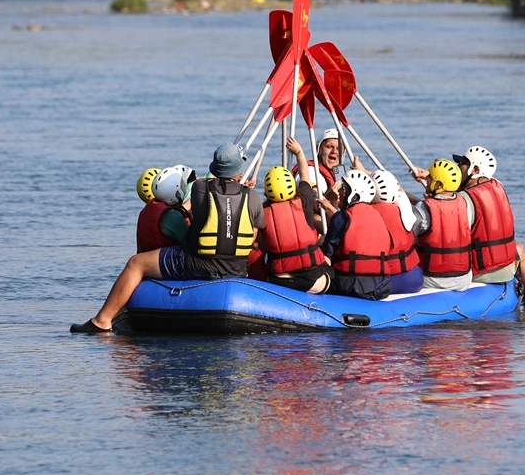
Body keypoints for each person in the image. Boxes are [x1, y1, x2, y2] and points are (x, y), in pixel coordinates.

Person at [71, 143, 265, 333]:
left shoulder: (199, 188)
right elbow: (252, 235)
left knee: (136, 263)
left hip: (197, 263)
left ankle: (102, 321)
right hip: (237, 268)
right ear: (239, 172)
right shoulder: (254, 197)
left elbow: (211, 203)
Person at [453, 145, 525, 307]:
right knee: (519, 248)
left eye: (462, 164)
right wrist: (432, 177)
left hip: (481, 271)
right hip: (506, 265)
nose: (457, 168)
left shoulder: (464, 199)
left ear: (475, 170)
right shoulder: (497, 185)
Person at [320, 170, 393, 300]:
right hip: (382, 285)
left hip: (349, 285)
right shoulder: (379, 216)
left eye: (344, 188)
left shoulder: (342, 218)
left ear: (353, 194)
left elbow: (327, 254)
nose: (341, 192)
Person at [259, 165, 332, 294]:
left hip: (279, 281)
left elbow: (263, 248)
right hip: (313, 283)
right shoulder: (304, 205)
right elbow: (305, 176)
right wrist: (299, 153)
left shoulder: (263, 213)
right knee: (327, 262)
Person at [410, 159, 475, 291]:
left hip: (431, 279)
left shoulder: (423, 208)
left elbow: (408, 235)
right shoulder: (465, 203)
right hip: (463, 278)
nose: (426, 180)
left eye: (429, 178)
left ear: (439, 185)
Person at [369, 169, 424, 294]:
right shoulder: (404, 210)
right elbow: (401, 192)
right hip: (412, 281)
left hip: (381, 282)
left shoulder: (366, 213)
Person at [135, 166, 193, 253]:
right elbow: (192, 244)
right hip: (164, 261)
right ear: (177, 193)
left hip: (146, 258)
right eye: (182, 184)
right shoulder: (172, 216)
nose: (185, 185)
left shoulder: (149, 209)